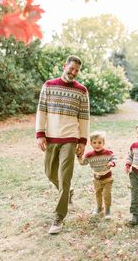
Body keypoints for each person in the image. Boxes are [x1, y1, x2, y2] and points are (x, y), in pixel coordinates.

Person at [36, 55, 90, 234]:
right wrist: (40, 134)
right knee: (49, 172)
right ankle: (68, 192)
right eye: (71, 68)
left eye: (77, 70)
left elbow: (84, 118)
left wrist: (82, 140)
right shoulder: (49, 85)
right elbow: (41, 111)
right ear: (64, 65)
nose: (73, 72)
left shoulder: (82, 91)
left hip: (70, 138)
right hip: (51, 137)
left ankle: (58, 218)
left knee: (64, 177)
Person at [77, 131, 116, 219]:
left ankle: (107, 210)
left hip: (107, 178)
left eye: (99, 142)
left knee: (107, 194)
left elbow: (114, 158)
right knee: (98, 194)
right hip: (96, 179)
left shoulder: (107, 153)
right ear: (90, 143)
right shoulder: (89, 155)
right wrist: (79, 156)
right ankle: (99, 207)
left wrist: (112, 162)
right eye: (94, 142)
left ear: (103, 143)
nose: (97, 145)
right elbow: (83, 163)